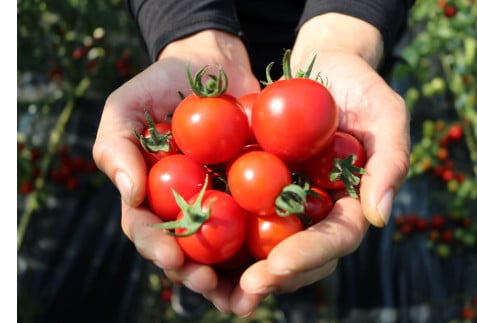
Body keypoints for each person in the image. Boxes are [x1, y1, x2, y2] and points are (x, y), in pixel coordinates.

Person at [92, 0, 414, 318]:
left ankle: (291, 293)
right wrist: (189, 31)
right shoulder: (212, 133)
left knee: (295, 259)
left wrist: (343, 37)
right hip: (220, 36)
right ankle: (207, 290)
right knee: (206, 267)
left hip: (321, 52)